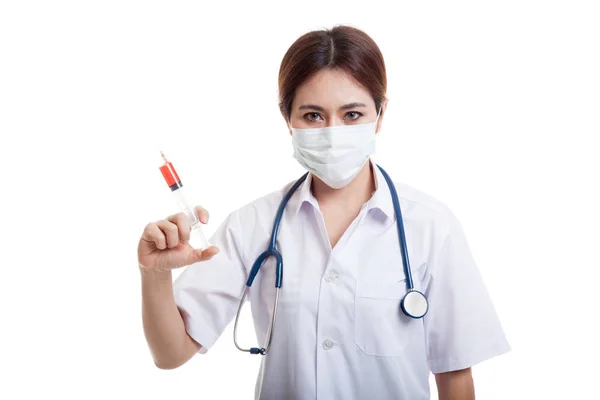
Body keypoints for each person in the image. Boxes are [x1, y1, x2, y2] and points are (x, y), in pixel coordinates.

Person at [138, 25, 511, 400]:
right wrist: (154, 274)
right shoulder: (252, 225)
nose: (333, 132)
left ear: (380, 115)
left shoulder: (431, 227)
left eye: (352, 115)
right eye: (313, 116)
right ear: (288, 119)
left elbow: (455, 377)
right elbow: (171, 354)